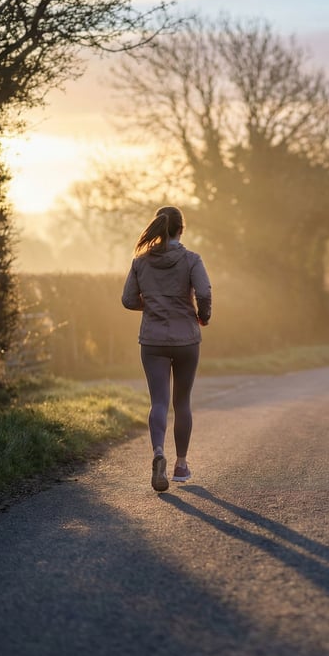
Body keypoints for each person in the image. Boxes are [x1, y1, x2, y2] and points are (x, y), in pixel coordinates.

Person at [122, 206, 211, 492]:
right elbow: (204, 292)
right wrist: (203, 316)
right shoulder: (191, 260)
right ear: (181, 229)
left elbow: (127, 299)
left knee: (158, 401)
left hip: (153, 340)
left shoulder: (140, 262)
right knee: (181, 402)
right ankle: (181, 465)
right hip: (186, 339)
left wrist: (151, 304)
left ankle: (158, 451)